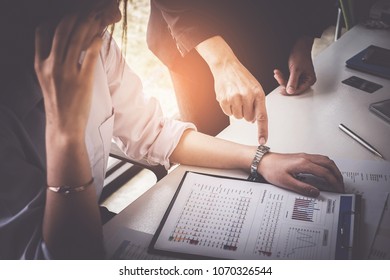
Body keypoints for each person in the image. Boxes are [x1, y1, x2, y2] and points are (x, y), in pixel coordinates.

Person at [0, 0, 343, 259]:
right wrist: (67, 135)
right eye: (97, 6)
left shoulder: (96, 46)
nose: (115, 17)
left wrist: (260, 159)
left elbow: (152, 132)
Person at [147, 0, 337, 139]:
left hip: (273, 24)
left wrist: (303, 40)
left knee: (280, 128)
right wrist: (222, 62)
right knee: (206, 137)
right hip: (192, 38)